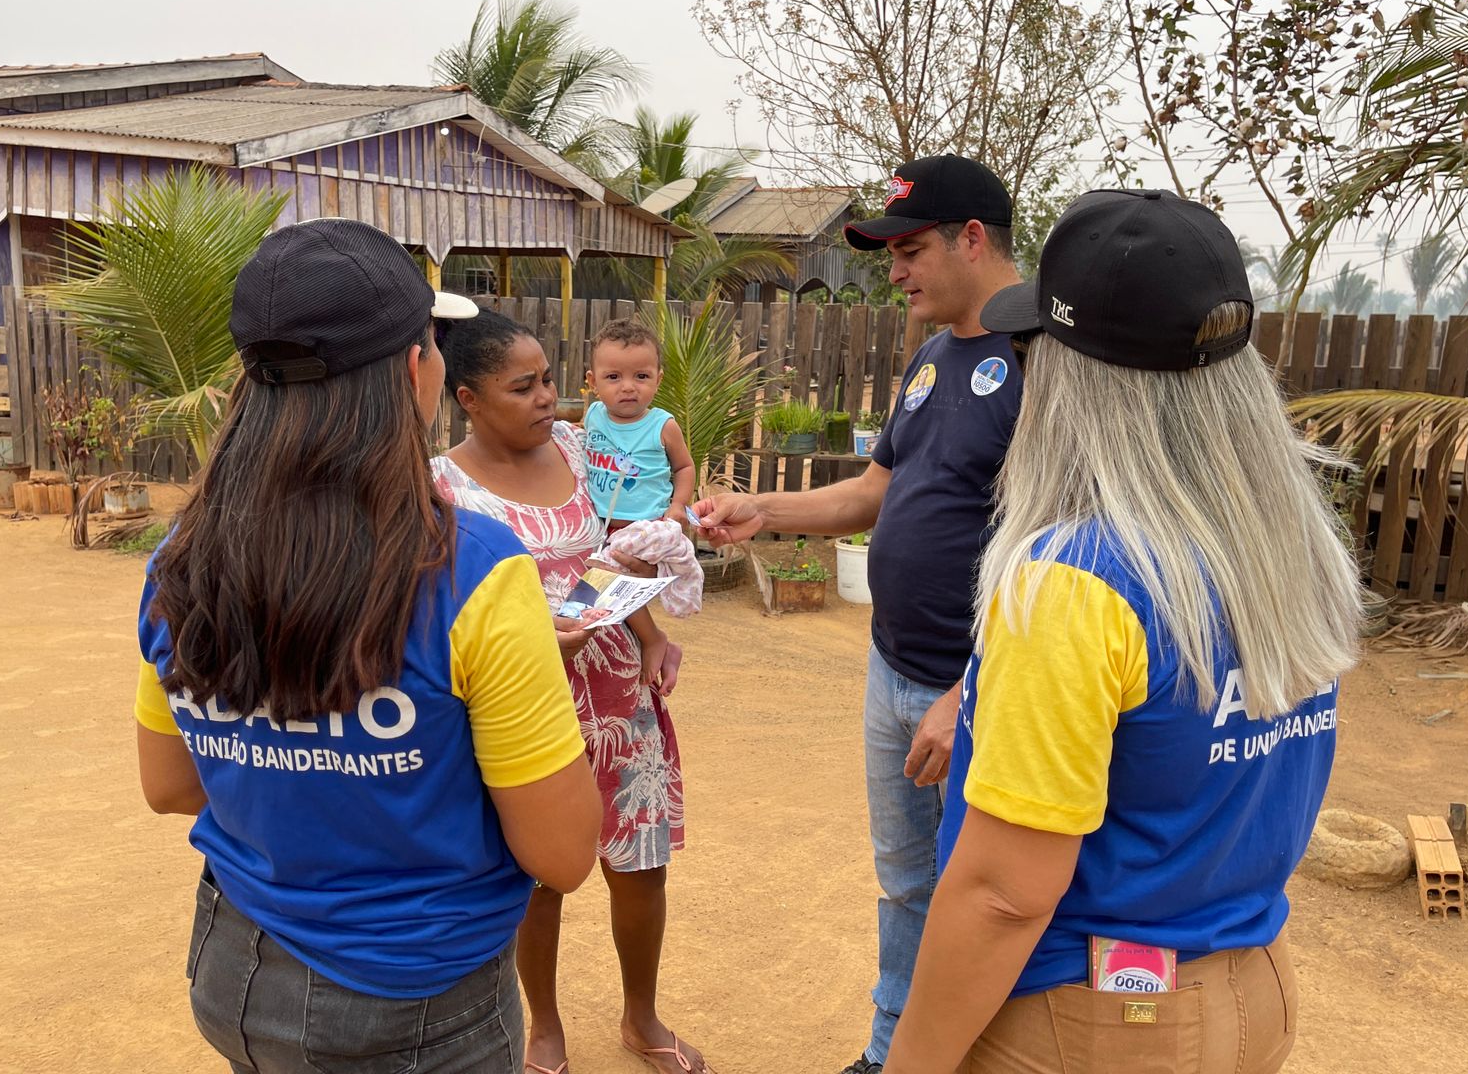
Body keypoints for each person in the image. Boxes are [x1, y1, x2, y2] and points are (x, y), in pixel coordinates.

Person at [884, 189, 1365, 1073]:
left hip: (1090, 1019)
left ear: (1075, 376)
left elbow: (1002, 895)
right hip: (1252, 986)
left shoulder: (1075, 580)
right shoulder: (1293, 550)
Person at [133, 218, 602, 1074]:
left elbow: (169, 785)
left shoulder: (182, 558)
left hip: (235, 968)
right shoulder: (475, 569)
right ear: (416, 371)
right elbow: (564, 855)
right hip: (418, 1005)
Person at [694, 154, 1023, 1074]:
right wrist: (766, 514)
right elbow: (879, 489)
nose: (896, 269)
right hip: (893, 667)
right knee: (908, 881)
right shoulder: (930, 360)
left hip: (976, 690)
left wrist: (978, 687)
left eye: (909, 249)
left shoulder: (1044, 363)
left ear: (971, 239)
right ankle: (890, 1054)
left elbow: (1055, 551)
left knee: (991, 891)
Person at [432, 309, 712, 1074]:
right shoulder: (441, 486)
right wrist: (533, 642)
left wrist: (652, 635)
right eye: (524, 388)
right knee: (538, 869)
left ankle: (642, 1018)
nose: (547, 399)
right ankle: (545, 1025)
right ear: (469, 398)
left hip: (616, 682)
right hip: (521, 699)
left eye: (549, 380)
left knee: (641, 860)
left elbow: (603, 557)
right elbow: (442, 610)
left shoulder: (575, 447)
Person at [582, 317, 696, 691]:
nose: (628, 387)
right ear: (592, 382)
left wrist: (678, 507)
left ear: (658, 380)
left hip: (646, 526)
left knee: (602, 575)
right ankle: (652, 642)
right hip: (604, 523)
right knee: (608, 584)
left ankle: (654, 639)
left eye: (641, 377)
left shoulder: (662, 425)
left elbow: (684, 466)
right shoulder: (594, 416)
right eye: (613, 377)